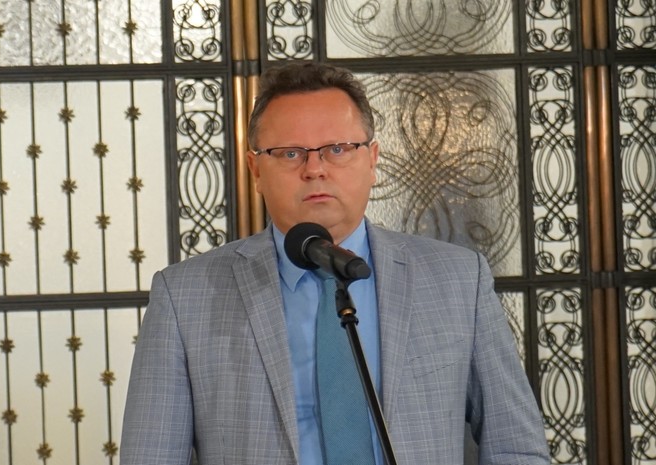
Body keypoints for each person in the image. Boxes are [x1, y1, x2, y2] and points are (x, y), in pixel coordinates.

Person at [120, 62, 550, 464]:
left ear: (372, 158)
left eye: (337, 149)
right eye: (290, 153)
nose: (315, 169)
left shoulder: (457, 280)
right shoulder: (185, 298)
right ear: (255, 169)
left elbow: (515, 446)